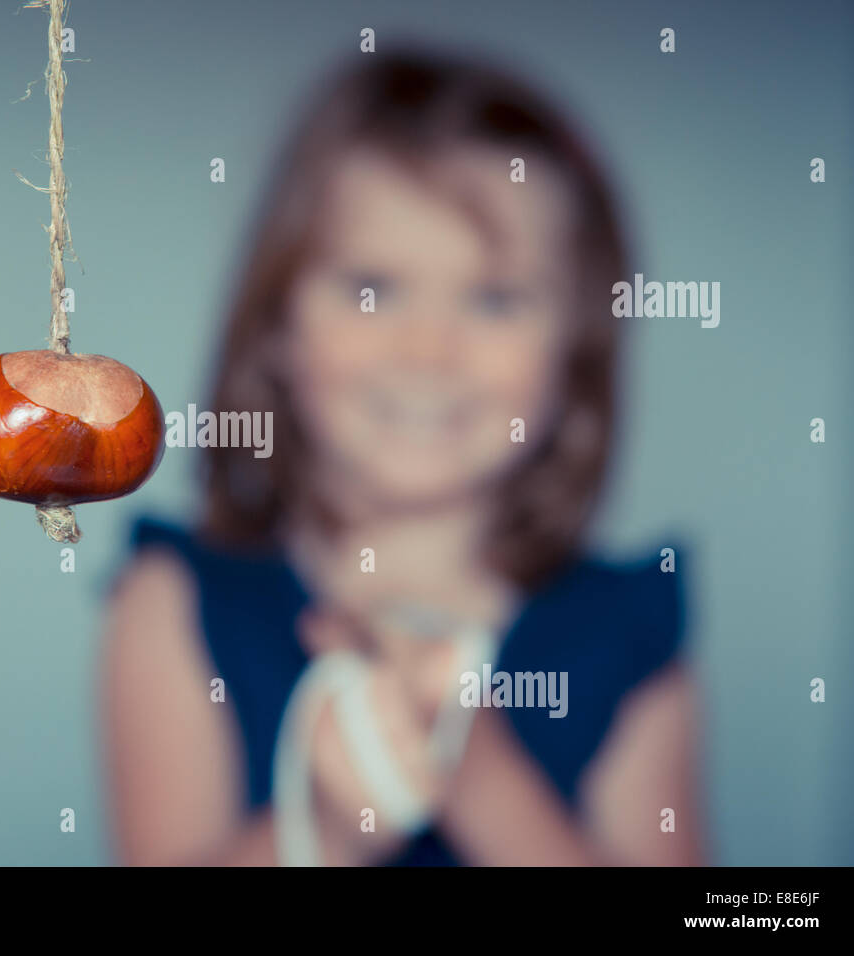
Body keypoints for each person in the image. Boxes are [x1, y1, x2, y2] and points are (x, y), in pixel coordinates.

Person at [99, 47, 706, 866]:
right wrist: (327, 827)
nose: (428, 352)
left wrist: (477, 777)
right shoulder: (174, 602)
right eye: (372, 289)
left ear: (575, 354)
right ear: (280, 325)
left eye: (495, 299)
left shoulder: (628, 634)